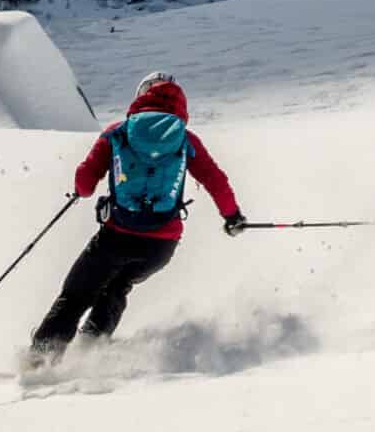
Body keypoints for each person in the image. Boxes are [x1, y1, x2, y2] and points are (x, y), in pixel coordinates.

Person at [25, 71, 244, 365]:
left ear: (141, 96)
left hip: (117, 235)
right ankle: (91, 352)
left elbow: (85, 184)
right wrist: (232, 217)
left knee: (78, 293)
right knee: (117, 287)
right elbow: (216, 180)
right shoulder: (185, 138)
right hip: (161, 245)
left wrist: (81, 189)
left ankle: (41, 361)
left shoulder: (118, 131)